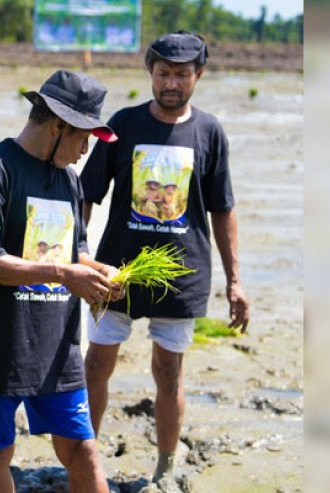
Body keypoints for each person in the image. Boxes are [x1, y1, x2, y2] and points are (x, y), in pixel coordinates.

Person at [80, 32, 250, 493]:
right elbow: (86, 194)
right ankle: (86, 459)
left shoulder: (210, 131)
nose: (170, 82)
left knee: (169, 371)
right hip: (118, 271)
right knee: (96, 364)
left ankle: (165, 466)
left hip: (182, 274)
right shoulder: (124, 125)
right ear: (150, 74)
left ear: (198, 75)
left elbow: (223, 208)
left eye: (180, 74)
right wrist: (77, 260)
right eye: (162, 73)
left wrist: (235, 280)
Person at [0, 70, 124, 493]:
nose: (87, 149)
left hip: (57, 346)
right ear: (58, 126)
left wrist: (100, 271)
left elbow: (72, 252)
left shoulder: (68, 177)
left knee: (83, 448)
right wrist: (63, 274)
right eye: (83, 136)